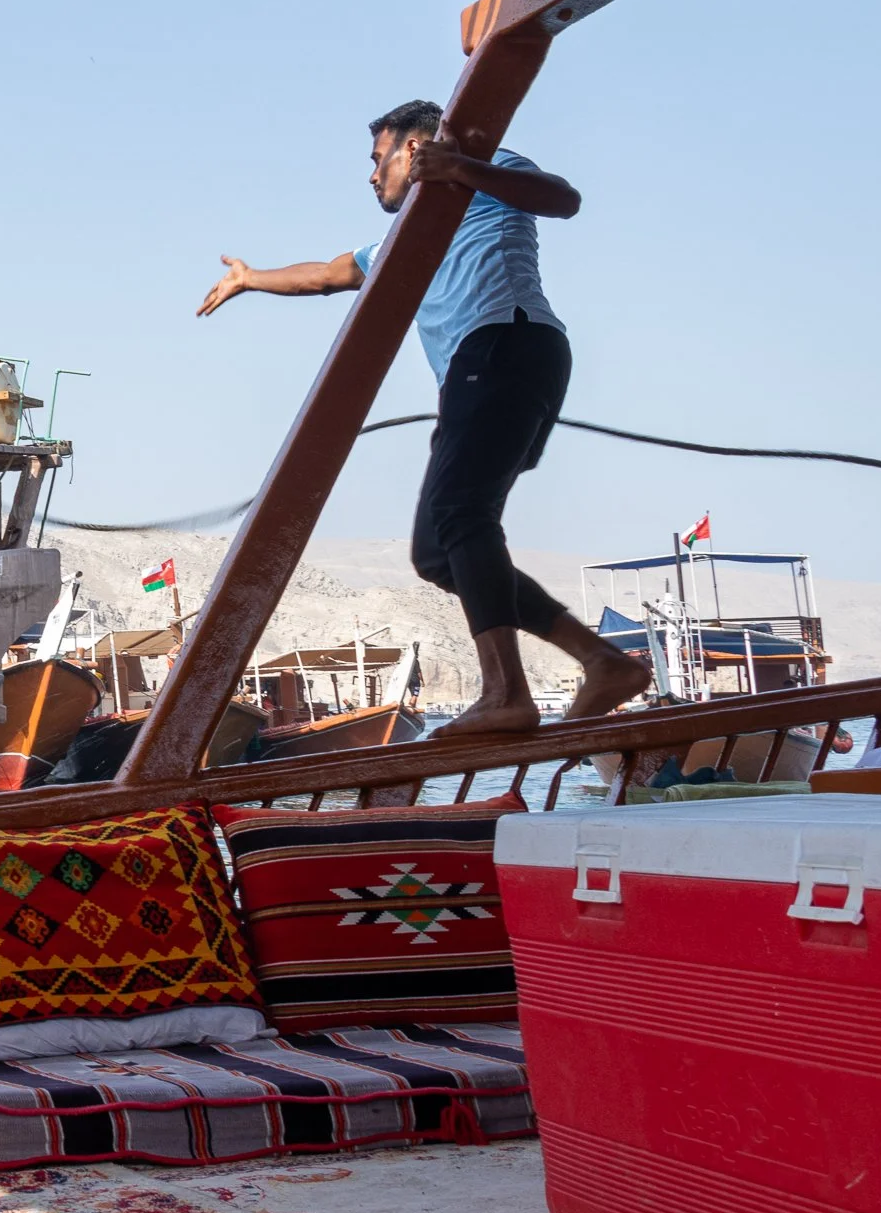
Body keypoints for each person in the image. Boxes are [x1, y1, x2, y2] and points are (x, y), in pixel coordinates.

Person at [195, 99, 650, 736]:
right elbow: (328, 275)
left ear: (414, 150)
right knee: (437, 551)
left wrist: (463, 167)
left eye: (378, 159)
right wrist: (251, 279)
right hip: (484, 368)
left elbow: (562, 198)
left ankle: (506, 693)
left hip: (507, 343)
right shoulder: (406, 237)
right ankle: (603, 660)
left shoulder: (483, 171)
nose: (371, 175)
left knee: (463, 517)